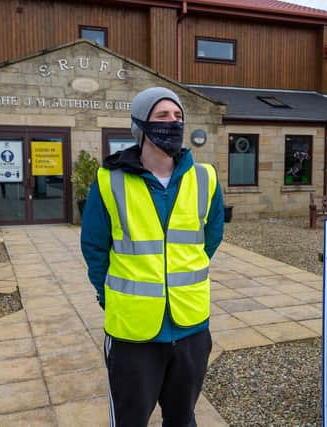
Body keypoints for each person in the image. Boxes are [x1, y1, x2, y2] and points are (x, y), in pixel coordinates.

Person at [81, 86, 224, 427]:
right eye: (162, 116)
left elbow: (211, 238)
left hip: (190, 327)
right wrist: (110, 295)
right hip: (133, 333)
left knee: (182, 419)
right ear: (140, 125)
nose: (172, 123)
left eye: (178, 117)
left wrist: (180, 274)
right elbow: (95, 248)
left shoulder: (205, 178)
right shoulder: (109, 181)